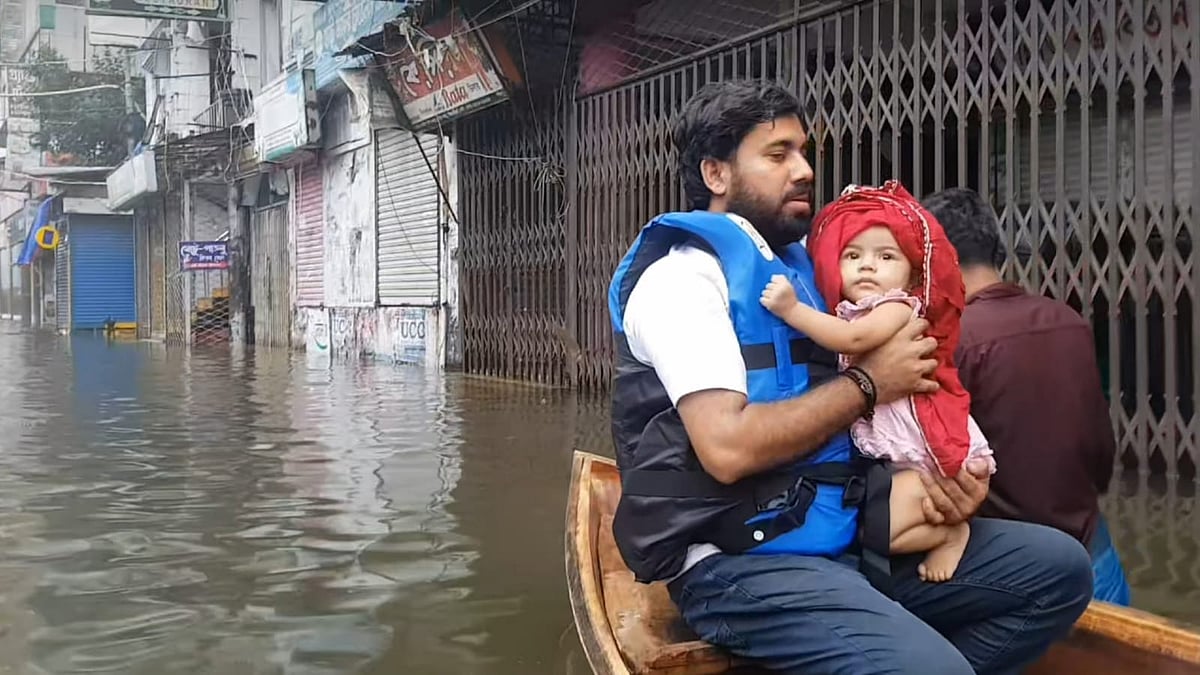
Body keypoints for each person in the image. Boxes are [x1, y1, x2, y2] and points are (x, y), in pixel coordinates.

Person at [607, 79, 1093, 674]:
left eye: (805, 151)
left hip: (843, 531)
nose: (805, 169)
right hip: (737, 562)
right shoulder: (683, 281)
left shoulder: (809, 272)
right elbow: (726, 450)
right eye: (778, 154)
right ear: (716, 174)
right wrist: (869, 383)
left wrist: (944, 482)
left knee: (1061, 570)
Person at [759, 180, 996, 584]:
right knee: (874, 530)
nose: (867, 265)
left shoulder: (896, 307)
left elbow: (851, 340)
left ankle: (953, 534)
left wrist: (792, 310)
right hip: (900, 460)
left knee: (880, 531)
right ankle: (943, 532)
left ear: (910, 275)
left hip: (923, 447)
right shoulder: (854, 309)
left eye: (886, 256)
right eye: (852, 255)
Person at [922, 186, 1132, 606]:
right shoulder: (1067, 320)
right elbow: (1100, 448)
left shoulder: (949, 343)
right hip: (1092, 544)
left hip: (1015, 562)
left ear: (936, 259)